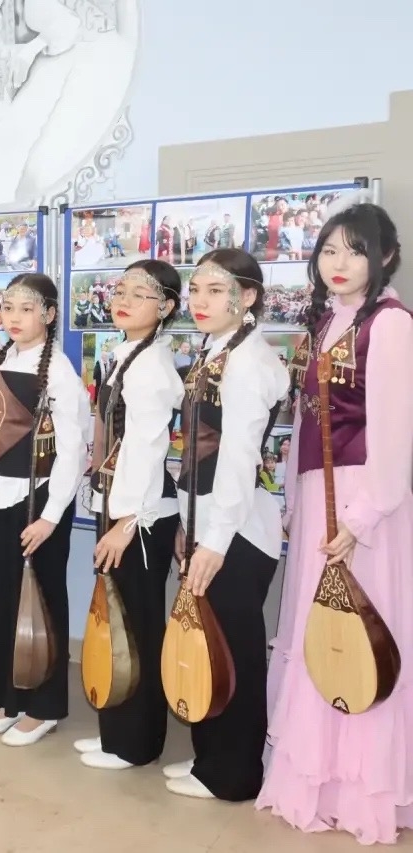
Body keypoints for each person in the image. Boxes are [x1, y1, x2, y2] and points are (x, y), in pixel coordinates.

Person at [258, 199, 413, 845]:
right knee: (316, 632)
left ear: (385, 257)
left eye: (355, 250)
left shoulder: (391, 325)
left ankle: (362, 791)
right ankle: (315, 780)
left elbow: (396, 434)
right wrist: (296, 502)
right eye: (328, 250)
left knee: (362, 632)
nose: (339, 263)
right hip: (318, 495)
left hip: (365, 500)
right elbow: (307, 422)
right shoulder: (324, 323)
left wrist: (364, 513)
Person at [168, 249, 289, 800]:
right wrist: (189, 524)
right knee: (206, 644)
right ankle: (208, 760)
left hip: (236, 532)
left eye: (215, 291)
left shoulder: (248, 363)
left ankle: (235, 774)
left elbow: (239, 460)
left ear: (249, 297)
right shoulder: (216, 350)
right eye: (195, 289)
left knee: (233, 651)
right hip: (209, 522)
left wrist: (213, 543)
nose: (200, 301)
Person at [77, 260, 184, 770]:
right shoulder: (126, 355)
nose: (124, 300)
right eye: (121, 290)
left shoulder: (152, 368)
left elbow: (146, 447)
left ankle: (135, 744)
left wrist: (125, 523)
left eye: (140, 295)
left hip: (140, 518)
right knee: (115, 619)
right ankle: (114, 733)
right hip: (120, 506)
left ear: (166, 307)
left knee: (136, 625)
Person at [0, 274, 88, 746]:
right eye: (8, 308)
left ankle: (44, 707)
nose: (15, 318)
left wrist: (50, 516)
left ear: (49, 314)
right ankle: (9, 697)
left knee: (41, 603)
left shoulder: (59, 371)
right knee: (0, 600)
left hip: (39, 500)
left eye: (26, 309)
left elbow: (74, 449)